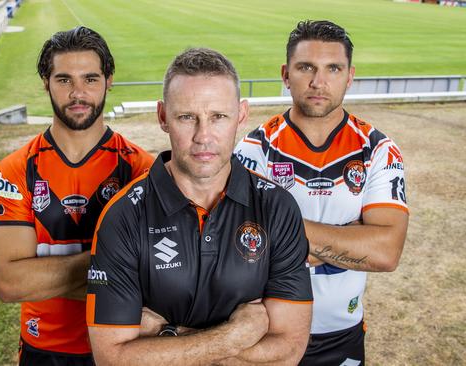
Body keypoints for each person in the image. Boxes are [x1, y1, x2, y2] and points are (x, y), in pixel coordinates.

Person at [87, 47, 313, 365]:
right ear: (163, 117)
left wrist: (167, 335)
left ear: (242, 115)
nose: (203, 136)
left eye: (218, 116)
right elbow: (112, 359)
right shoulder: (123, 215)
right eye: (187, 117)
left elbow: (288, 350)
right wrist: (233, 337)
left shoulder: (277, 207)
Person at [235, 20, 409, 366]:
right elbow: (241, 248)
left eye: (333, 68)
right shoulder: (254, 149)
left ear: (350, 75)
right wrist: (354, 235)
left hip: (341, 333)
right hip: (269, 333)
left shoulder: (377, 150)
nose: (318, 81)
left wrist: (284, 234)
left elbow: (386, 253)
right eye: (306, 68)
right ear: (286, 74)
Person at [0, 26, 153, 365]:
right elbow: (9, 282)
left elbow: (155, 275)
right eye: (64, 80)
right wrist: (111, 269)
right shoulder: (16, 169)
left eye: (90, 79)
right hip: (44, 348)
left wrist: (44, 276)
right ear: (45, 82)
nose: (78, 93)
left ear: (109, 80)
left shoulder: (141, 170)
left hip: (121, 345)